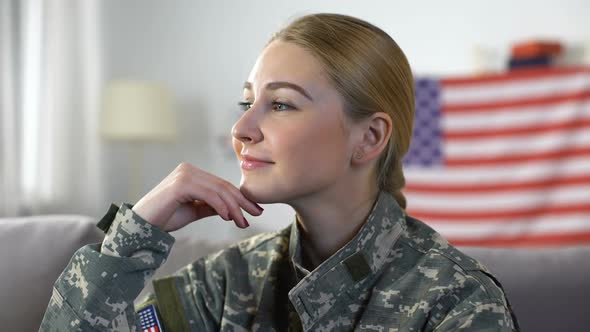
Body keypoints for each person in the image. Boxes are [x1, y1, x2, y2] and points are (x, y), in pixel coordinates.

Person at [39, 13, 519, 331]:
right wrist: (133, 236)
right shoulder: (224, 283)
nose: (242, 127)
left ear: (369, 138)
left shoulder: (454, 300)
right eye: (247, 102)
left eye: (281, 104)